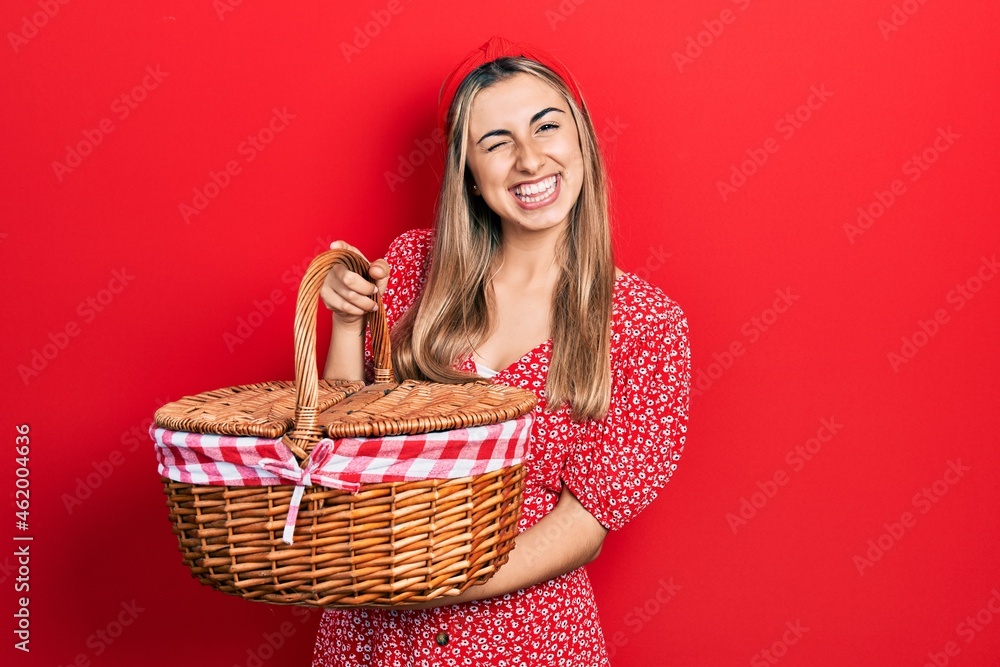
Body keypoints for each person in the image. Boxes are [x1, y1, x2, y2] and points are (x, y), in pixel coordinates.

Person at [313, 36, 690, 667]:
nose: (529, 159)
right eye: (497, 142)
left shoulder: (645, 325)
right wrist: (347, 324)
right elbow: (336, 447)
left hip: (527, 642)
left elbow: (584, 527)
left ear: (583, 141)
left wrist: (431, 584)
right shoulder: (412, 270)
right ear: (469, 171)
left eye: (547, 127)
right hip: (374, 642)